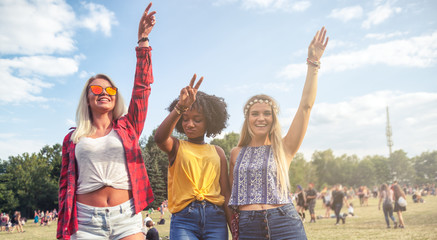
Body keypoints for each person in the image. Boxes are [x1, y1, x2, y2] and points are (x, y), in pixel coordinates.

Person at [56, 3, 156, 239]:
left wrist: (143, 41)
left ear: (115, 96)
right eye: (97, 88)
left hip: (127, 219)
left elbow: (142, 89)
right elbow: (64, 188)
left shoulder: (128, 127)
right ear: (87, 97)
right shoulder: (72, 139)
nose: (104, 92)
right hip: (85, 221)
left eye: (110, 90)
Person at [228, 27, 329, 240]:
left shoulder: (283, 148)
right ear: (247, 120)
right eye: (255, 114)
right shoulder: (235, 153)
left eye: (267, 113)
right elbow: (229, 196)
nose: (261, 118)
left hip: (285, 222)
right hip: (248, 226)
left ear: (274, 119)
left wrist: (313, 64)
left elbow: (305, 107)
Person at [154, 76, 232, 239]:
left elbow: (225, 193)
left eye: (197, 120)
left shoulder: (218, 152)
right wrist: (180, 108)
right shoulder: (176, 146)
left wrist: (234, 227)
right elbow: (160, 138)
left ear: (209, 122)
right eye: (185, 119)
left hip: (216, 220)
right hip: (184, 221)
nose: (190, 124)